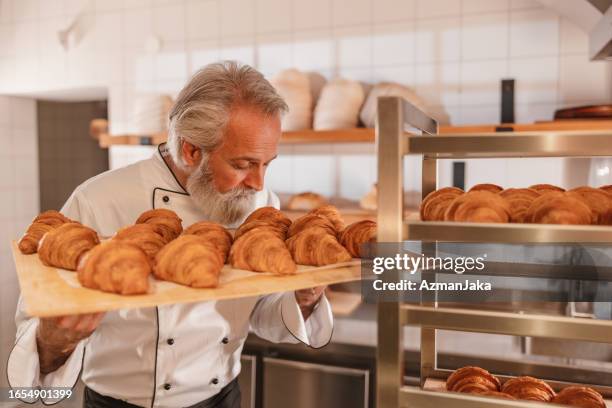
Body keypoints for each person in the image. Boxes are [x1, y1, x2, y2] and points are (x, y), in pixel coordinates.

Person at [7, 61, 332, 408]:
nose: (259, 183)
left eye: (267, 164)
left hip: (223, 398)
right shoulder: (99, 200)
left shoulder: (260, 204)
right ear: (191, 150)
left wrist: (304, 299)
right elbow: (35, 337)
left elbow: (262, 310)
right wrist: (54, 341)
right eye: (242, 164)